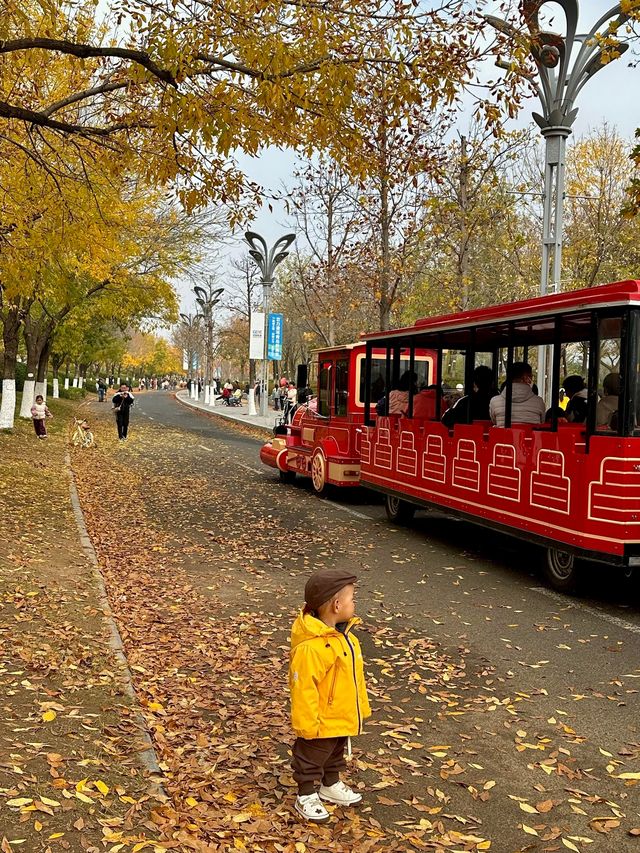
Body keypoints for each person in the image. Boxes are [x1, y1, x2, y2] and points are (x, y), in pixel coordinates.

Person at [290, 568, 371, 824]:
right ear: (337, 605)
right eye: (351, 599)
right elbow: (303, 688)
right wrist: (306, 724)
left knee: (336, 751)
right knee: (311, 756)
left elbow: (354, 678)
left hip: (341, 713)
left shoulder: (344, 636)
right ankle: (305, 793)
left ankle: (330, 783)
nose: (354, 603)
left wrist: (360, 707)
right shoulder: (312, 647)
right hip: (319, 719)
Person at [489, 362, 546, 427]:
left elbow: (494, 421)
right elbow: (542, 422)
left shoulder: (494, 401)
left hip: (504, 436)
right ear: (526, 377)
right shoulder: (539, 402)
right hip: (530, 437)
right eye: (531, 376)